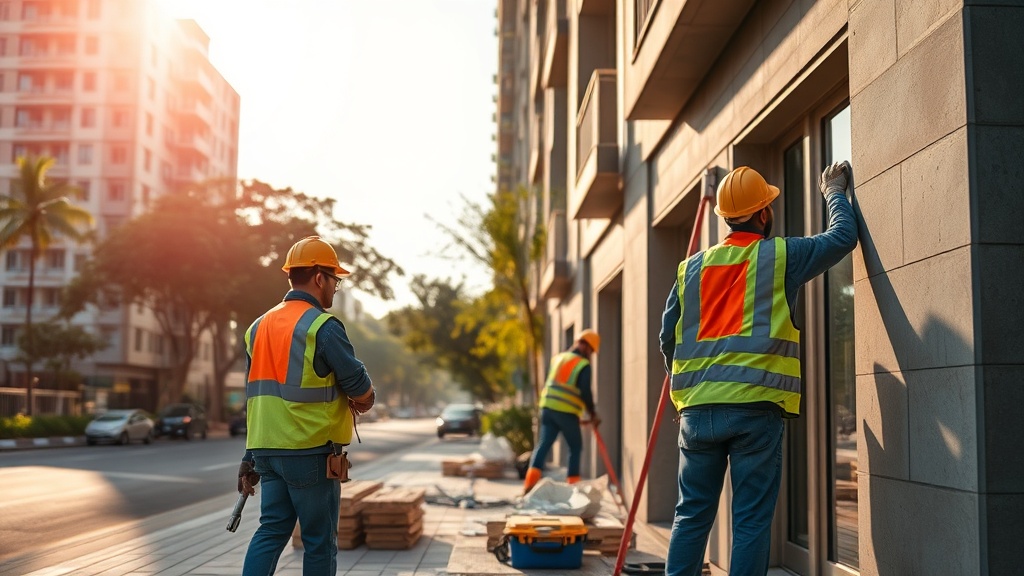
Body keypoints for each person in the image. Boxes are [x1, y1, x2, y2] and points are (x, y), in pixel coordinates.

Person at [659, 163, 857, 576]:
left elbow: (667, 338)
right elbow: (842, 237)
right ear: (763, 213)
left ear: (725, 217)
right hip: (756, 410)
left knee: (691, 516)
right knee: (749, 521)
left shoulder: (689, 269)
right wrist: (832, 190)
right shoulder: (781, 255)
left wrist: (687, 392)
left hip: (696, 413)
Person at [237, 235, 376, 576]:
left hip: (266, 451)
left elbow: (254, 395)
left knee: (271, 530)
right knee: (319, 541)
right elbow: (358, 385)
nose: (335, 288)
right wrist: (365, 400)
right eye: (335, 280)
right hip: (310, 451)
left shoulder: (258, 327)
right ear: (319, 278)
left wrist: (249, 457)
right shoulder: (321, 327)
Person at [522, 329, 602, 494]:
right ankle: (573, 490)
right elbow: (585, 391)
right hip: (566, 411)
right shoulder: (583, 364)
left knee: (543, 445)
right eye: (592, 351)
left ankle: (528, 486)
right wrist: (592, 413)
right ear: (587, 347)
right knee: (575, 447)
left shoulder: (558, 358)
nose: (591, 355)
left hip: (547, 409)